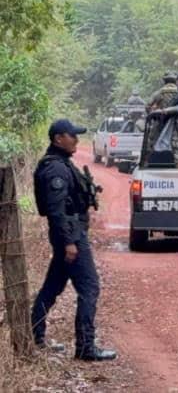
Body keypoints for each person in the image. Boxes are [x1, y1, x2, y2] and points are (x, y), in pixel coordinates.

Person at [31, 119, 117, 361]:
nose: (77, 140)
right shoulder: (56, 169)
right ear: (59, 138)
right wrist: (69, 242)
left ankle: (34, 337)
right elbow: (56, 211)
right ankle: (86, 347)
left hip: (69, 234)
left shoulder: (61, 164)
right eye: (72, 136)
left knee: (52, 287)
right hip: (71, 236)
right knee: (89, 288)